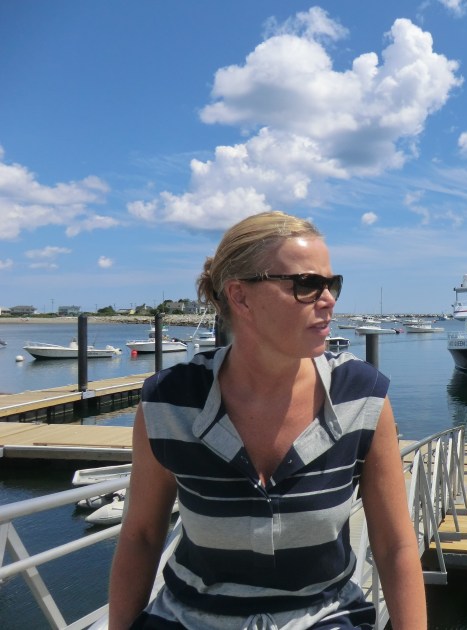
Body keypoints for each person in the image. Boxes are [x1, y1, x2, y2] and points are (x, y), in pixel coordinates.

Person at [108, 211, 426, 629]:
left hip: (324, 617)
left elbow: (395, 545)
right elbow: (142, 537)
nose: (329, 299)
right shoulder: (170, 402)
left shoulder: (361, 396)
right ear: (240, 297)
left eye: (332, 284)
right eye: (307, 284)